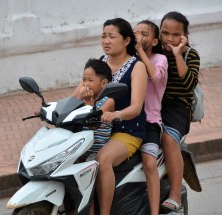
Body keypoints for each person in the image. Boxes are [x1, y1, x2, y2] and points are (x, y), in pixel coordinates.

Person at [93, 18, 148, 215]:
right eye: (103, 36)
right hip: (99, 128)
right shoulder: (100, 63)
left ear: (126, 41)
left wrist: (116, 114)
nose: (106, 40)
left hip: (128, 130)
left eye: (111, 36)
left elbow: (136, 107)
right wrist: (53, 107)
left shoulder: (137, 67)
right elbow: (81, 89)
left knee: (102, 159)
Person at [159, 11, 200, 213]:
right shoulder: (154, 52)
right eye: (165, 33)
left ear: (185, 36)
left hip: (178, 107)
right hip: (154, 105)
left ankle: (175, 194)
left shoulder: (190, 55)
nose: (169, 38)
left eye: (176, 34)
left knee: (167, 138)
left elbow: (187, 86)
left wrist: (177, 55)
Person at [133, 20, 168, 215]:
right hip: (128, 121)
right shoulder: (128, 58)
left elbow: (155, 76)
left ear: (154, 41)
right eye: (136, 33)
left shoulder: (159, 59)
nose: (138, 36)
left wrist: (139, 52)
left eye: (144, 34)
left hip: (150, 122)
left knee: (148, 162)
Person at [75, 58, 114, 160]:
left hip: (95, 151)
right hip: (79, 148)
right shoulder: (80, 99)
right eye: (84, 79)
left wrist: (88, 102)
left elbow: (92, 124)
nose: (86, 84)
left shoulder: (108, 101)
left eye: (90, 80)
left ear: (104, 83)